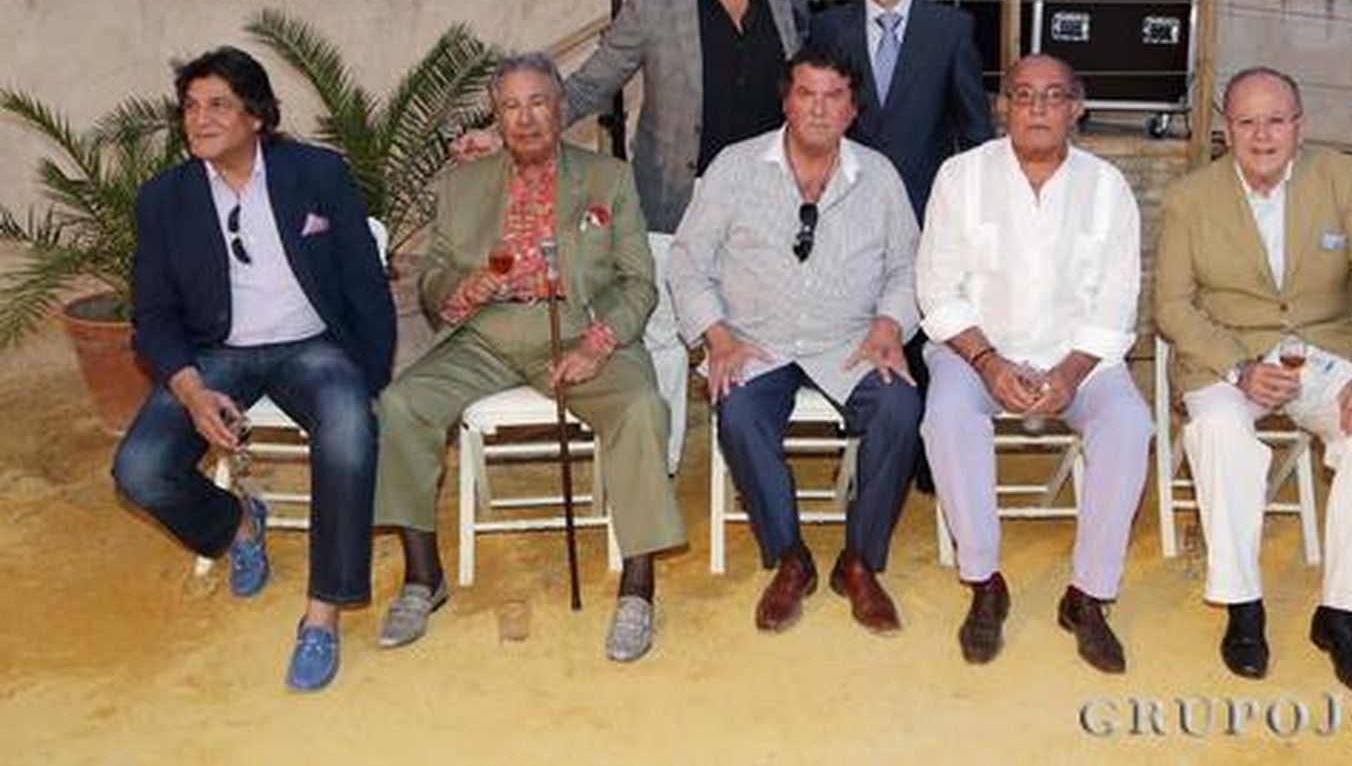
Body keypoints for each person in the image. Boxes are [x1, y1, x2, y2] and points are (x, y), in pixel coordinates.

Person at [372, 53, 683, 663]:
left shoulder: (607, 178)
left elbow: (638, 284)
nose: (526, 118)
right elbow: (433, 279)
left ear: (562, 107)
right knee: (401, 402)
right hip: (486, 334)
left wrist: (596, 347)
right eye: (511, 106)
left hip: (578, 333)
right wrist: (461, 291)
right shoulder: (463, 182)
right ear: (498, 116)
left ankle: (638, 589)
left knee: (643, 408)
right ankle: (421, 575)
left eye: (537, 101)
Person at [111, 47, 396, 692]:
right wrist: (189, 389)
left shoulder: (318, 174)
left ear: (256, 116)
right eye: (190, 106)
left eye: (218, 105)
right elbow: (152, 315)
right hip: (217, 354)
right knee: (138, 470)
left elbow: (364, 284)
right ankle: (240, 522)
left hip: (311, 345)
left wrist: (367, 377)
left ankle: (322, 614)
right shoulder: (164, 200)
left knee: (350, 433)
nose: (200, 119)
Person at [1154, 66, 1352, 692]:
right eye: (1246, 121)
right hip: (1230, 355)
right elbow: (1172, 306)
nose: (1262, 134)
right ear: (1227, 129)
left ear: (1299, 126)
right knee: (1220, 433)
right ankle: (1243, 607)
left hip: (1320, 349)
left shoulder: (1339, 176)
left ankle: (1342, 614)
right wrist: (1240, 369)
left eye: (1276, 120)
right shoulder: (1190, 198)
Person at [668, 45, 922, 635]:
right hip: (756, 342)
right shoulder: (733, 168)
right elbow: (686, 263)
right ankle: (791, 559)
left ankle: (859, 562)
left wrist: (889, 326)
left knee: (901, 407)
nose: (819, 109)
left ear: (852, 110)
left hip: (849, 342)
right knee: (737, 412)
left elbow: (908, 268)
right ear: (786, 100)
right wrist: (718, 337)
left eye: (834, 97)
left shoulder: (878, 177)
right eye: (806, 94)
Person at [916, 54, 1151, 670]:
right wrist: (991, 364)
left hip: (1079, 362)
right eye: (1023, 95)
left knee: (1130, 426)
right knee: (945, 416)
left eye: (1053, 97)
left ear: (1077, 108)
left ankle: (1089, 595)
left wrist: (1068, 374)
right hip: (975, 354)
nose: (1038, 108)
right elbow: (936, 292)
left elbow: (1117, 301)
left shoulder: (1106, 188)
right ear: (1004, 107)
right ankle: (984, 582)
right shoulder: (960, 177)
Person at [458, 0, 810, 233]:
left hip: (771, 196)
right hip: (681, 202)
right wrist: (504, 135)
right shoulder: (653, 0)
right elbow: (590, 85)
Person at [810, 0, 991, 220]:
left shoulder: (951, 30)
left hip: (927, 208)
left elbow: (974, 131)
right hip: (845, 207)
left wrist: (975, 209)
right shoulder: (828, 29)